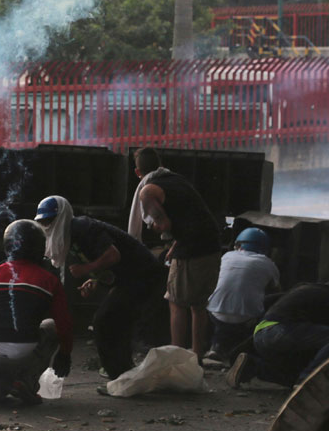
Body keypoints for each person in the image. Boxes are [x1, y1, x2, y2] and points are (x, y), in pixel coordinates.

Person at [35, 195, 166, 380]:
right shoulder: (71, 236)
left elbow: (113, 255)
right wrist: (95, 280)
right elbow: (105, 263)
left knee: (104, 321)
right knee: (117, 321)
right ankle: (123, 372)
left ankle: (118, 374)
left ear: (61, 217)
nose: (47, 227)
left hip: (143, 275)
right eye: (43, 223)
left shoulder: (82, 227)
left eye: (49, 221)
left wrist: (86, 269)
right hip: (129, 278)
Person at [134, 148, 224, 361]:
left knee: (176, 301)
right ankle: (196, 357)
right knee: (198, 304)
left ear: (138, 172)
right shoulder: (175, 179)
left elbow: (163, 223)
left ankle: (177, 357)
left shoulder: (146, 191)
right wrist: (175, 244)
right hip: (211, 245)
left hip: (192, 249)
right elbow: (188, 214)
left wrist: (156, 225)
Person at [0, 220, 73, 409]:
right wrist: (65, 354)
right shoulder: (49, 280)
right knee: (50, 326)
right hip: (24, 347)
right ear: (40, 247)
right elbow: (64, 325)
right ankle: (28, 380)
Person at [228, 283, 329, 389]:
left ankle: (251, 366)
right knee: (311, 369)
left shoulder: (307, 289)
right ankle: (308, 380)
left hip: (261, 334)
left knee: (295, 375)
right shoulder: (323, 295)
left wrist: (237, 351)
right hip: (282, 331)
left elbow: (267, 301)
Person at [205, 227, 280, 367]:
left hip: (214, 314)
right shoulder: (268, 264)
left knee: (223, 310)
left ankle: (216, 346)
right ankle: (242, 351)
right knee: (262, 307)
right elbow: (276, 290)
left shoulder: (226, 256)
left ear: (238, 245)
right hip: (246, 320)